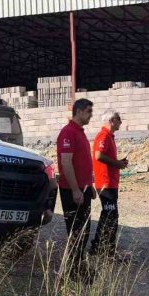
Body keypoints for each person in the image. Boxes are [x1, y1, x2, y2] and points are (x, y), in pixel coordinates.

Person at [57, 98, 96, 269]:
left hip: (83, 189)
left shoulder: (80, 132)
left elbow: (83, 162)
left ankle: (79, 265)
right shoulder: (68, 133)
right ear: (79, 111)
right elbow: (66, 163)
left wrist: (90, 186)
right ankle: (73, 269)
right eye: (88, 111)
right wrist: (75, 190)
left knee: (84, 230)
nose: (91, 115)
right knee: (76, 231)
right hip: (73, 191)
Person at [90, 110, 129, 259]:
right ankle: (106, 251)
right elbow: (98, 155)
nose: (121, 122)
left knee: (108, 215)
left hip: (110, 182)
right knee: (111, 216)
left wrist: (118, 163)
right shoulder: (104, 135)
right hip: (105, 183)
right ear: (112, 120)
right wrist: (117, 163)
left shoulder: (109, 137)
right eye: (119, 119)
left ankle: (99, 247)